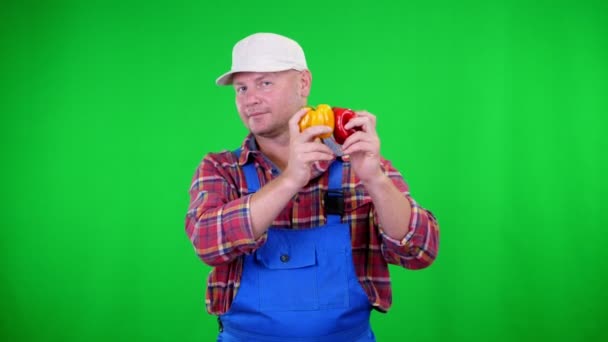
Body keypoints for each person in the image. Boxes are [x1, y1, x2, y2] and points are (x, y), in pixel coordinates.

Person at [185, 32, 439, 342]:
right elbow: (207, 242)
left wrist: (375, 179)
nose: (250, 99)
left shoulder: (357, 161)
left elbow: (420, 252)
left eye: (265, 83)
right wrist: (290, 179)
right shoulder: (221, 169)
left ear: (304, 83)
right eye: (242, 88)